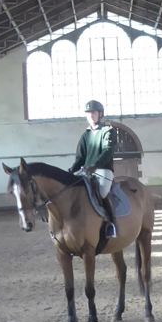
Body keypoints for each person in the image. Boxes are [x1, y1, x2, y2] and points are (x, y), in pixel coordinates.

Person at [68, 100, 118, 238]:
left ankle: (111, 224)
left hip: (103, 170)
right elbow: (80, 157)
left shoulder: (108, 131)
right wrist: (73, 169)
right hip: (86, 171)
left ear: (100, 114)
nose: (91, 115)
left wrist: (94, 165)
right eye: (88, 113)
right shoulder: (85, 135)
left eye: (94, 113)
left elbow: (107, 151)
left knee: (101, 193)